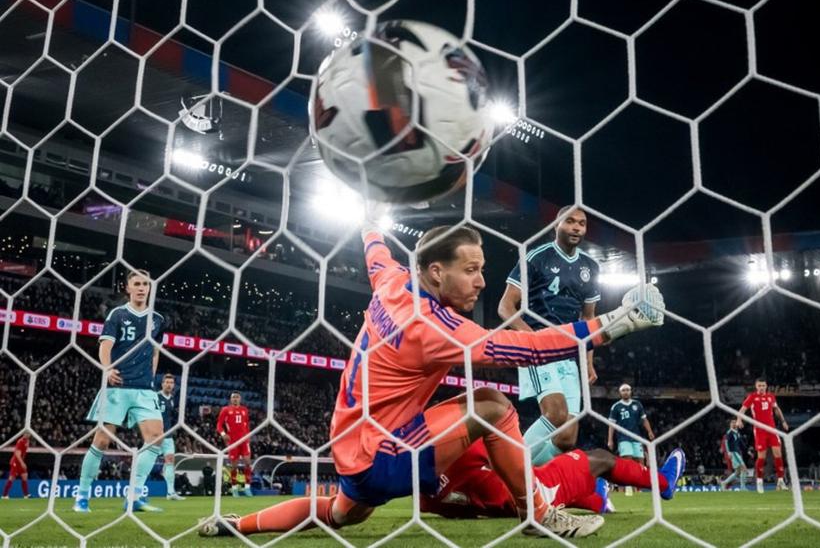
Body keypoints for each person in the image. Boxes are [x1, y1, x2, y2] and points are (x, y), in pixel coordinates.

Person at [198, 214, 665, 540]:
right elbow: (525, 348)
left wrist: (369, 222)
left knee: (339, 514)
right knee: (492, 407)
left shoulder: (391, 281)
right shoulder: (432, 328)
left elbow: (375, 252)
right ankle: (539, 514)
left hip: (349, 447)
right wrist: (613, 324)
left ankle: (237, 526)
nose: (482, 282)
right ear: (437, 272)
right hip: (382, 455)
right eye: (472, 270)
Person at [497, 206, 601, 465]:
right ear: (556, 225)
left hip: (569, 353)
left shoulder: (590, 266)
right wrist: (535, 341)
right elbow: (505, 307)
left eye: (582, 223)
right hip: (539, 347)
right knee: (555, 414)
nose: (577, 227)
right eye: (570, 222)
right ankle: (505, 472)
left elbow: (588, 319)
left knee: (567, 438)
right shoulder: (536, 257)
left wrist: (588, 361)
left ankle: (528, 481)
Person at [73, 269, 166, 513]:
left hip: (144, 388)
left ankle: (134, 497)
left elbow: (155, 352)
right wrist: (107, 368)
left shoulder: (157, 319)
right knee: (102, 440)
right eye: (137, 283)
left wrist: (152, 379)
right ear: (128, 288)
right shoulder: (118, 314)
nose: (141, 287)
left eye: (145, 283)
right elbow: (105, 346)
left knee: (156, 437)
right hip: (118, 385)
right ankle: (82, 496)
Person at [421, 438, 685, 519]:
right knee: (601, 459)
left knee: (573, 484)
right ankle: (664, 483)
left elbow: (458, 511)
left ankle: (598, 501)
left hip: (498, 505)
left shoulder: (423, 495)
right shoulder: (465, 442)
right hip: (533, 492)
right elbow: (511, 458)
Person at [736, 378, 789, 493]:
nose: (761, 387)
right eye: (759, 385)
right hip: (760, 431)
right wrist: (739, 420)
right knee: (762, 457)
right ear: (756, 386)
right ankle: (759, 482)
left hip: (772, 429)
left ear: (766, 386)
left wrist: (783, 421)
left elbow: (777, 409)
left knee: (778, 454)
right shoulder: (752, 397)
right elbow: (742, 409)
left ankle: (780, 481)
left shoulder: (771, 396)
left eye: (763, 385)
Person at [607, 384, 655, 495]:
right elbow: (611, 425)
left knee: (640, 462)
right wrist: (610, 440)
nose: (626, 392)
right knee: (627, 461)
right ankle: (627, 487)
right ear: (620, 393)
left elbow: (644, 419)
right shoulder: (616, 407)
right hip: (623, 438)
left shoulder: (637, 404)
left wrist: (649, 431)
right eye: (623, 390)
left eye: (627, 390)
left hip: (636, 437)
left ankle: (639, 487)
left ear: (631, 391)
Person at [216, 391, 253, 497]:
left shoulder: (244, 410)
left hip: (244, 440)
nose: (235, 399)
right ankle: (234, 487)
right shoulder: (226, 410)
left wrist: (248, 436)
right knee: (234, 465)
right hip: (233, 441)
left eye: (237, 397)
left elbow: (246, 424)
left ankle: (247, 487)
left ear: (240, 399)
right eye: (233, 397)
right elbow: (219, 425)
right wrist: (223, 434)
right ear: (231, 399)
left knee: (247, 462)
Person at [158, 373, 184, 500]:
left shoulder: (172, 399)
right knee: (147, 463)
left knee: (170, 462)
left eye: (171, 383)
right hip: (154, 436)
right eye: (167, 382)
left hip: (168, 436)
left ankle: (170, 493)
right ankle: (137, 492)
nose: (169, 385)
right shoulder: (156, 397)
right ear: (162, 384)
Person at [2, 432, 31, 499]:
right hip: (16, 462)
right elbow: (17, 454)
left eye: (29, 434)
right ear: (24, 433)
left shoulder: (27, 441)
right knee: (11, 478)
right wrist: (22, 463)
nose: (28, 435)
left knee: (25, 476)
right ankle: (4, 495)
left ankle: (26, 495)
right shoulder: (20, 442)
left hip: (20, 462)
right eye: (27, 433)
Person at [721, 419, 747, 491]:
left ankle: (724, 483)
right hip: (734, 453)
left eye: (735, 422)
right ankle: (742, 487)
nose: (734, 424)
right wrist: (728, 452)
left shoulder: (737, 433)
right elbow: (726, 442)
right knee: (744, 469)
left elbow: (741, 443)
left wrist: (748, 451)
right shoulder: (730, 432)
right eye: (732, 422)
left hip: (737, 453)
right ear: (730, 425)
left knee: (737, 472)